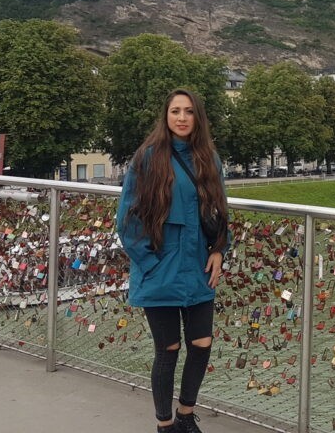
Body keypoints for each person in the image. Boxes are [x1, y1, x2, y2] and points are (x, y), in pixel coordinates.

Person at [115, 88, 232, 433]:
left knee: (202, 344)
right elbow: (127, 219)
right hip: (160, 269)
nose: (181, 117)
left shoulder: (209, 158)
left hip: (197, 268)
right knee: (168, 349)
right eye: (175, 111)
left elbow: (221, 213)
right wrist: (150, 265)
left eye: (188, 111)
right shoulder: (148, 157)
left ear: (198, 117)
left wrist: (218, 251)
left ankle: (185, 414)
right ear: (166, 117)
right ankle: (165, 425)